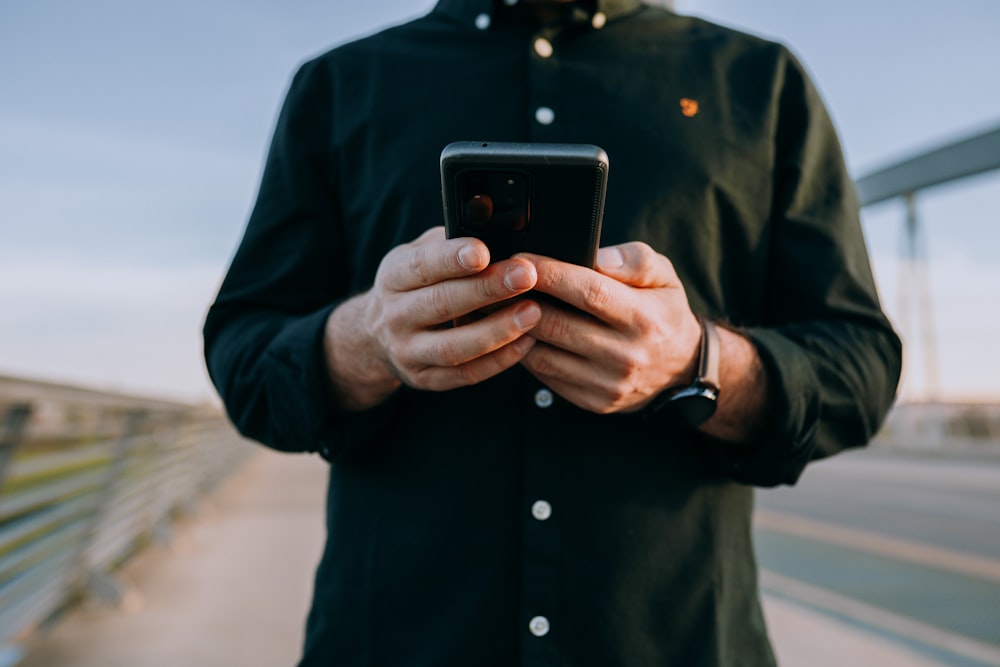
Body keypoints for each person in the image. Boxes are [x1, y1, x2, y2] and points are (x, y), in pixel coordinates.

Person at [203, 0, 902, 665]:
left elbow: (862, 366)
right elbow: (243, 353)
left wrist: (696, 362)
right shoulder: (338, 85)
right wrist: (367, 338)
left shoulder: (761, 82)